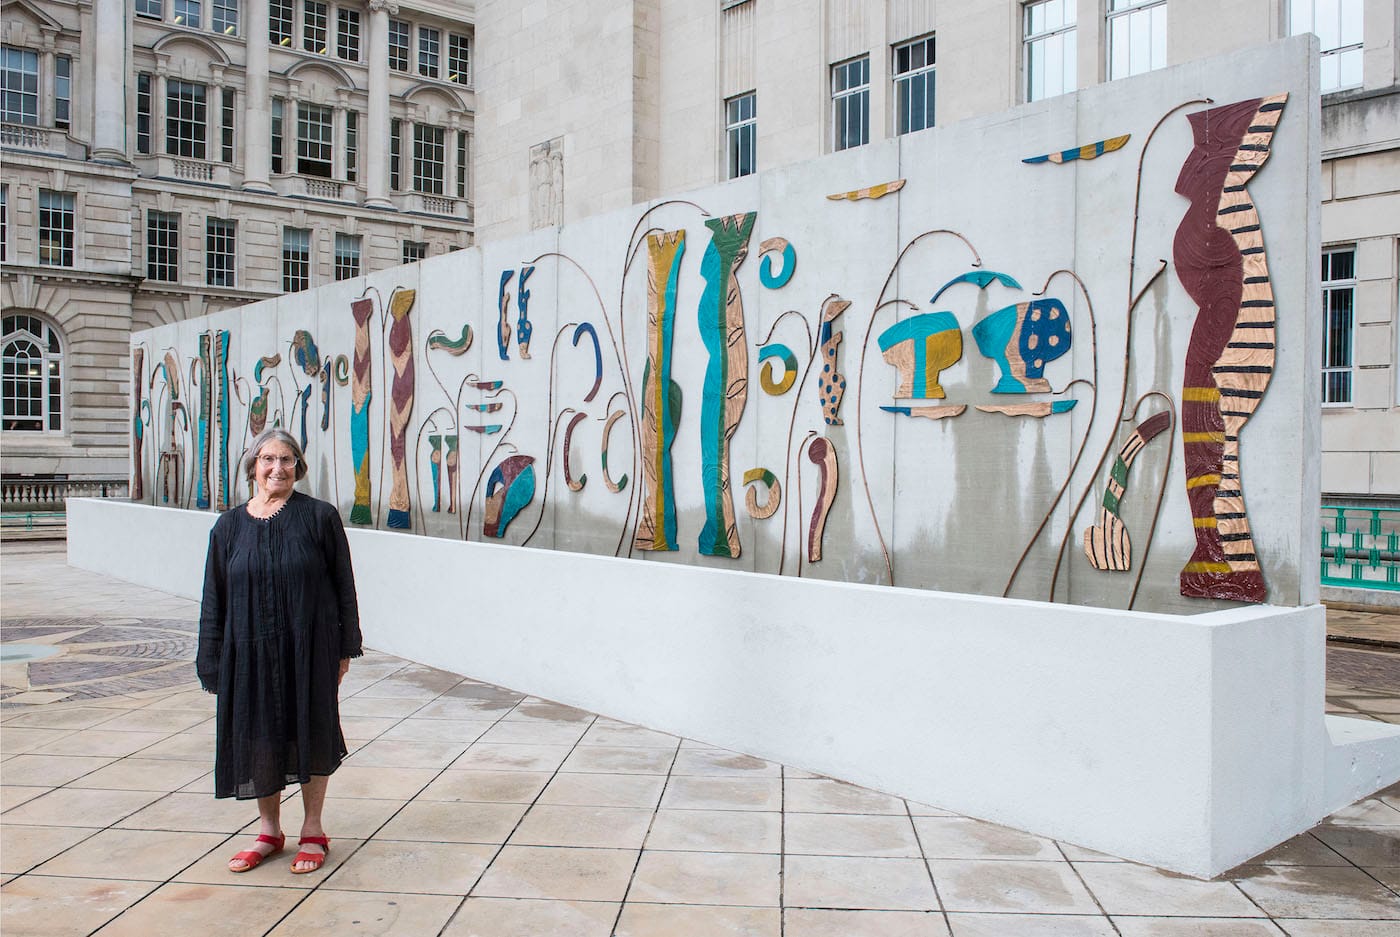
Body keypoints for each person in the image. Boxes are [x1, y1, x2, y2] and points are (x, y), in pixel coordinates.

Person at [197, 427, 362, 874]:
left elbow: (343, 585)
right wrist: (210, 657)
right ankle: (269, 831)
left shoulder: (320, 517)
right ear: (253, 466)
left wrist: (346, 647)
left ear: (298, 467)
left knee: (311, 728)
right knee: (259, 734)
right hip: (247, 651)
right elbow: (214, 597)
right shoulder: (228, 527)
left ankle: (313, 829)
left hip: (310, 648)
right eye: (268, 459)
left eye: (286, 459)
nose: (277, 468)